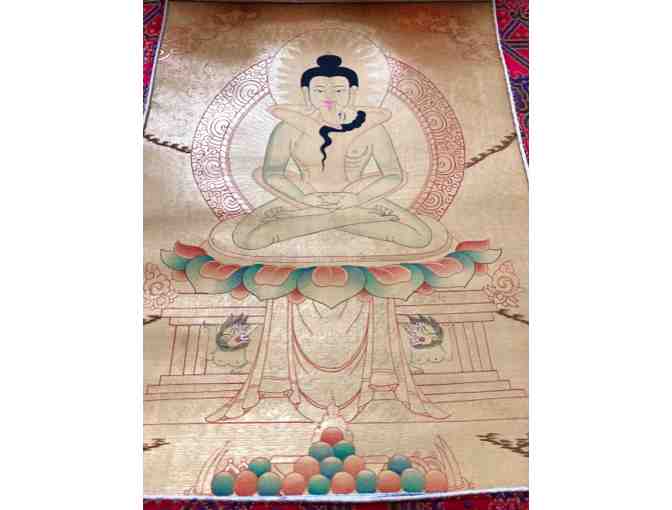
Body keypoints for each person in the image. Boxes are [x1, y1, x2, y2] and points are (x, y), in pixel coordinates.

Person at [232, 55, 432, 250]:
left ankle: (313, 219)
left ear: (352, 92)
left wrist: (358, 198)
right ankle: (349, 218)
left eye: (338, 90)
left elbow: (393, 175)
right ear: (306, 92)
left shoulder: (373, 127)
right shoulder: (288, 127)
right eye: (319, 90)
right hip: (305, 195)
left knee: (420, 237)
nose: (329, 97)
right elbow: (273, 173)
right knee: (246, 239)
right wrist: (302, 198)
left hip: (355, 194)